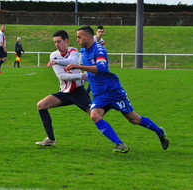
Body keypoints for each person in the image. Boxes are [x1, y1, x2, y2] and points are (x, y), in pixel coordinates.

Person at [66, 26, 169, 154]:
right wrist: (89, 88)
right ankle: (119, 144)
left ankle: (160, 132)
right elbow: (92, 74)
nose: (77, 40)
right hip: (99, 94)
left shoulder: (99, 49)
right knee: (94, 115)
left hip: (113, 91)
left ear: (87, 37)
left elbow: (102, 68)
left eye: (79, 37)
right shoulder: (83, 51)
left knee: (134, 119)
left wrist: (79, 66)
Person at [36, 30, 91, 146]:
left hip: (79, 92)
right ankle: (51, 139)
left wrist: (57, 62)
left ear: (66, 41)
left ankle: (117, 140)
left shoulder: (73, 51)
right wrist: (82, 76)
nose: (57, 44)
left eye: (59, 41)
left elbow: (72, 61)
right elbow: (62, 76)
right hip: (65, 92)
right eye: (55, 42)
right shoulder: (53, 55)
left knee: (95, 115)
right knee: (41, 105)